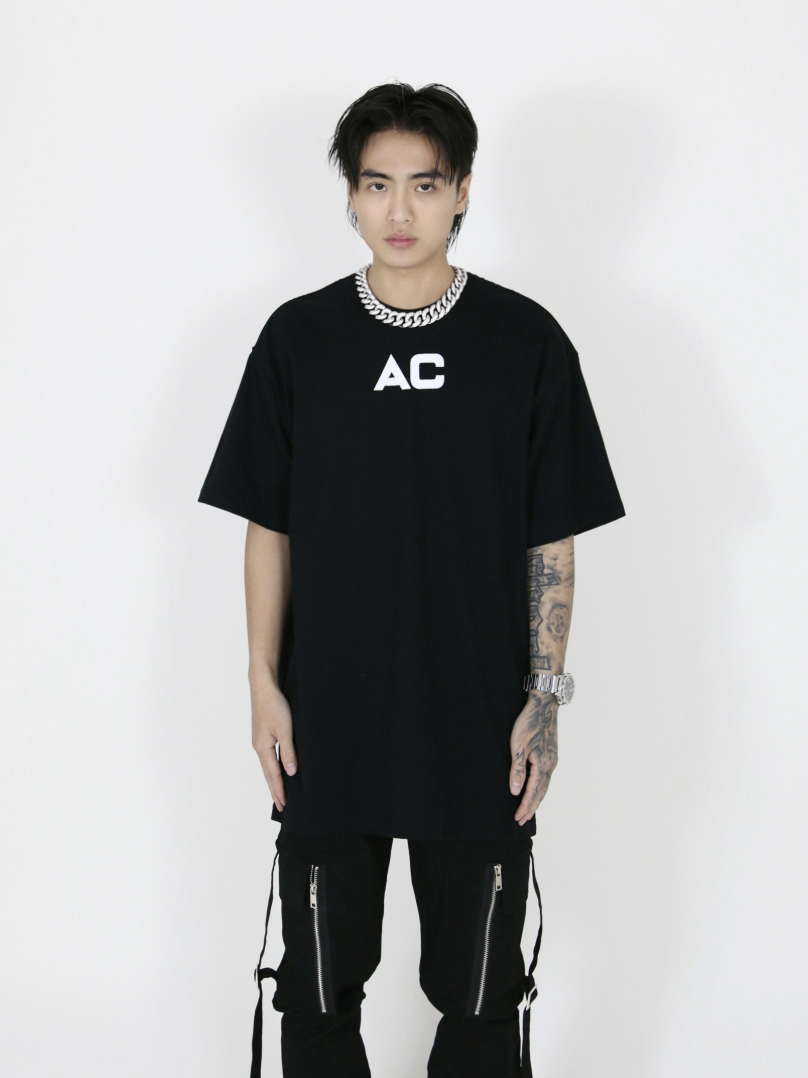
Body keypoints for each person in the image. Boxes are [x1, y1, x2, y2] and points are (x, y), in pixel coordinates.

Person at [198, 81, 625, 1078]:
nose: (400, 211)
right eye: (377, 184)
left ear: (463, 190)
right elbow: (269, 525)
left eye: (425, 185)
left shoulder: (524, 342)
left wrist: (545, 699)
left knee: (480, 999)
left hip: (477, 726)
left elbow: (552, 540)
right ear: (351, 193)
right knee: (314, 994)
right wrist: (262, 680)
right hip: (328, 722)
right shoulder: (299, 340)